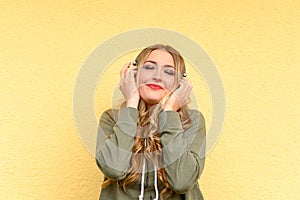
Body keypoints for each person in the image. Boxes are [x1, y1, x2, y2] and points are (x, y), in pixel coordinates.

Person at [96, 44, 206, 200]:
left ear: (180, 84)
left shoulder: (192, 121)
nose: (157, 77)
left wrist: (169, 113)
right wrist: (131, 105)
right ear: (133, 75)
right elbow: (113, 169)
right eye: (149, 67)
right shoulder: (111, 119)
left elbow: (182, 181)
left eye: (168, 72)